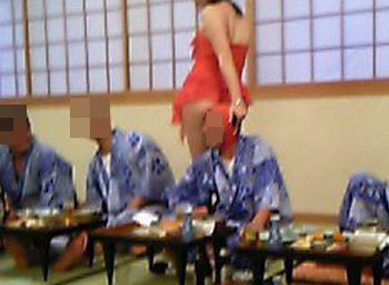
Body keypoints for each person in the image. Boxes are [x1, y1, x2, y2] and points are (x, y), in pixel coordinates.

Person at [54, 97, 175, 271]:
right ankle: (104, 244)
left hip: (146, 212)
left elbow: (159, 183)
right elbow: (95, 206)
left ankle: (101, 245)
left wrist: (136, 204)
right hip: (114, 220)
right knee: (87, 230)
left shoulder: (137, 142)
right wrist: (80, 214)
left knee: (141, 222)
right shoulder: (94, 166)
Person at [171, 104, 292, 268]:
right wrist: (192, 212)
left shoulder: (257, 149)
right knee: (183, 243)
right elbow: (180, 195)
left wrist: (252, 230)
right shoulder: (207, 161)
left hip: (260, 226)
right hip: (224, 226)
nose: (205, 131)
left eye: (212, 126)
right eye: (205, 126)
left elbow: (269, 199)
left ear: (230, 129)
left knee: (245, 249)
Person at [172, 0, 251, 159]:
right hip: (227, 98)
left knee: (202, 167)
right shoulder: (242, 19)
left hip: (202, 94)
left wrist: (237, 101)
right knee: (227, 165)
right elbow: (237, 61)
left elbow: (224, 58)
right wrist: (236, 100)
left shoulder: (211, 13)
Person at [0, 105, 75, 269]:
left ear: (28, 130)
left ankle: (65, 253)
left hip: (49, 221)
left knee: (55, 240)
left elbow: (57, 203)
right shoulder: (3, 156)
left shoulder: (46, 157)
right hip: (18, 225)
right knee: (8, 234)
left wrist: (24, 218)